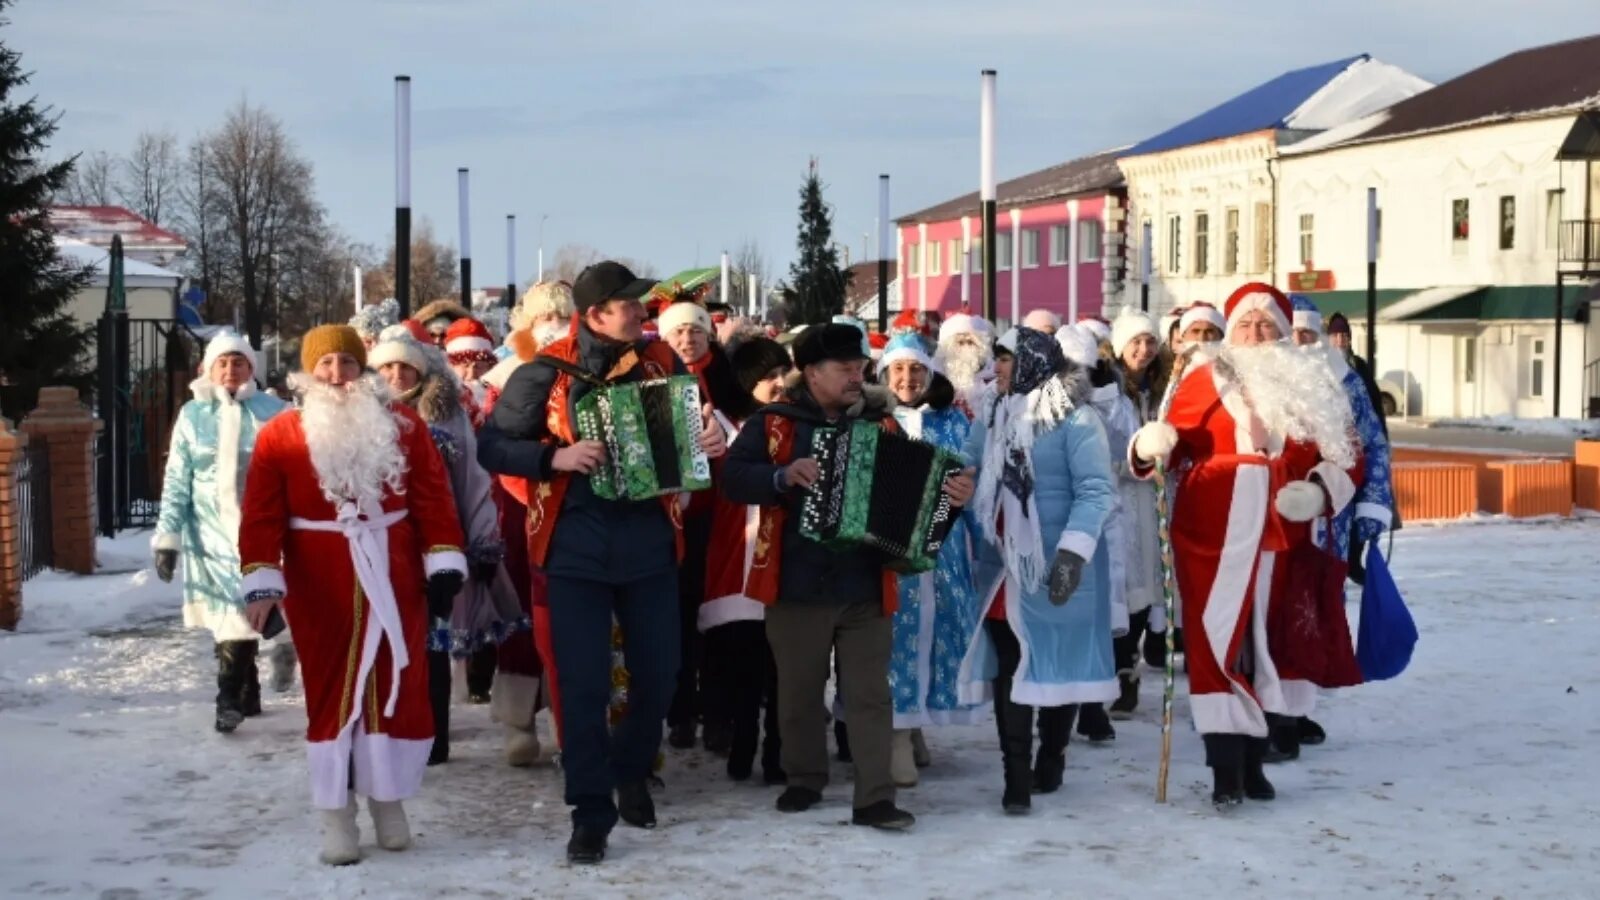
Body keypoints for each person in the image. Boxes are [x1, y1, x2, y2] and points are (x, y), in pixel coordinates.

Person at [476, 261, 726, 865]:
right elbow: (492, 444)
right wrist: (552, 461)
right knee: (583, 685)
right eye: (630, 306)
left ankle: (631, 767)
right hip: (574, 548)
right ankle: (590, 810)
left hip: (649, 545)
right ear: (596, 315)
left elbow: (693, 437)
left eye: (642, 306)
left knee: (661, 673)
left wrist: (709, 441)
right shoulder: (543, 372)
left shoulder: (661, 365)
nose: (644, 315)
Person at [721, 323, 974, 831]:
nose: (858, 376)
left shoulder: (883, 425)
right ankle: (805, 777)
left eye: (860, 367)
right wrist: (780, 475)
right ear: (812, 373)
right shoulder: (774, 424)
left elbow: (921, 496)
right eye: (845, 369)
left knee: (869, 694)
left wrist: (951, 498)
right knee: (798, 691)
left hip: (866, 582)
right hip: (796, 582)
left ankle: (874, 796)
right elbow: (730, 478)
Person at [237, 325, 467, 865]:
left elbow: (434, 499)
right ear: (307, 373)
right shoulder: (281, 435)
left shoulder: (405, 426)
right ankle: (336, 814)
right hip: (320, 581)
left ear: (362, 369)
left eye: (346, 362)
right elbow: (261, 518)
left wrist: (443, 563)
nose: (337, 375)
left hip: (394, 571)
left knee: (396, 685)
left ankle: (388, 800)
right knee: (330, 692)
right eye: (326, 365)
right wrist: (262, 582)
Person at [1128, 282, 1359, 808]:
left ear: (1282, 331)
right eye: (1246, 326)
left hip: (1285, 533)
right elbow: (1170, 445)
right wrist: (1150, 444)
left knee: (1268, 647)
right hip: (1212, 526)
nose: (1256, 335)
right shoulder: (1200, 378)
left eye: (1266, 326)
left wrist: (1320, 488)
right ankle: (1225, 771)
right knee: (1216, 644)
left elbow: (1346, 456)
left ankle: (1256, 759)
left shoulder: (1311, 382)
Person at [960, 327, 1117, 814]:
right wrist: (958, 481)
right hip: (1004, 566)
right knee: (1012, 664)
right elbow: (967, 463)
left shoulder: (1076, 418)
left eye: (1005, 359)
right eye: (997, 359)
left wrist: (1072, 554)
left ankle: (1052, 754)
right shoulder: (992, 412)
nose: (997, 368)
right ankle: (1015, 778)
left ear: (1031, 362)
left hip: (1059, 564)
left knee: (1056, 663)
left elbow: (1095, 491)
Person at [369, 328, 523, 763]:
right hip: (378, 543)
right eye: (388, 367)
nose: (397, 375)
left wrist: (481, 539)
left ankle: (434, 736)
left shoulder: (445, 413)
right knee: (384, 638)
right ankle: (387, 728)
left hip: (436, 542)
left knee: (433, 641)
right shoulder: (361, 412)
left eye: (405, 366)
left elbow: (472, 480)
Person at [1273, 298, 1395, 760]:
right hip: (1274, 519)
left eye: (1308, 335)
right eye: (1293, 335)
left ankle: (1299, 707)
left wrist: (1372, 506)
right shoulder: (1266, 384)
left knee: (1316, 611)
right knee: (1277, 611)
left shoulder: (1344, 381)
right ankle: (1273, 710)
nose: (1300, 344)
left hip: (1331, 520)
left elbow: (1372, 444)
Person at [153, 332, 290, 733]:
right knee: (229, 613)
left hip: (259, 528)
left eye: (239, 362)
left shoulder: (275, 411)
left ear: (252, 368)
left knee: (243, 610)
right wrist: (168, 537)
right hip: (208, 533)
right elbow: (178, 478)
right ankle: (240, 692)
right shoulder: (193, 415)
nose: (231, 370)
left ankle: (231, 696)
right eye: (223, 363)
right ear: (209, 369)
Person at [878, 333, 983, 787]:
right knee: (897, 636)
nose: (908, 378)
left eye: (916, 369)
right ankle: (896, 735)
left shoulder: (952, 422)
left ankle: (916, 719)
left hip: (944, 550)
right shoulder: (876, 421)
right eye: (899, 369)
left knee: (937, 632)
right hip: (892, 550)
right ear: (884, 373)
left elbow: (973, 478)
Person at [699, 336, 793, 783]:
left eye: (780, 375)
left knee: (780, 662)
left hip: (781, 556)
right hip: (734, 557)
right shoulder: (720, 425)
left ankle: (777, 750)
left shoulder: (794, 422)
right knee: (742, 661)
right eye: (766, 378)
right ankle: (742, 741)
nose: (777, 384)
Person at [657, 298, 744, 752]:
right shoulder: (656, 378)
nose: (687, 340)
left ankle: (719, 713)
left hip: (723, 518)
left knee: (720, 620)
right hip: (675, 521)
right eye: (677, 333)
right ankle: (680, 713)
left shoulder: (729, 382)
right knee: (677, 620)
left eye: (694, 331)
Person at [1102, 309, 1171, 718]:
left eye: (1149, 342)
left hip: (1158, 498)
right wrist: (1135, 459)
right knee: (1123, 583)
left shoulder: (1164, 391)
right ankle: (1120, 667)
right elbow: (1108, 445)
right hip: (1121, 498)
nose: (1143, 350)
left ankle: (1131, 666)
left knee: (1151, 582)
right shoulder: (1110, 391)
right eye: (1135, 342)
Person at [1325, 312, 1389, 433]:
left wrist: (1382, 434)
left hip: (1360, 435)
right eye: (1335, 335)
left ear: (1349, 339)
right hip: (1332, 437)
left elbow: (1374, 402)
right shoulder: (1322, 367)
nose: (1340, 340)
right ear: (1328, 338)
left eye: (1344, 335)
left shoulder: (1360, 366)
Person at [934, 313, 995, 416]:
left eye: (970, 343)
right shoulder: (936, 379)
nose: (966, 348)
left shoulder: (992, 379)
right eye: (960, 343)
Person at [443, 317, 500, 423]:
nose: (471, 374)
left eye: (478, 366)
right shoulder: (443, 399)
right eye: (465, 366)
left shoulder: (502, 397)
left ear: (489, 367)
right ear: (451, 367)